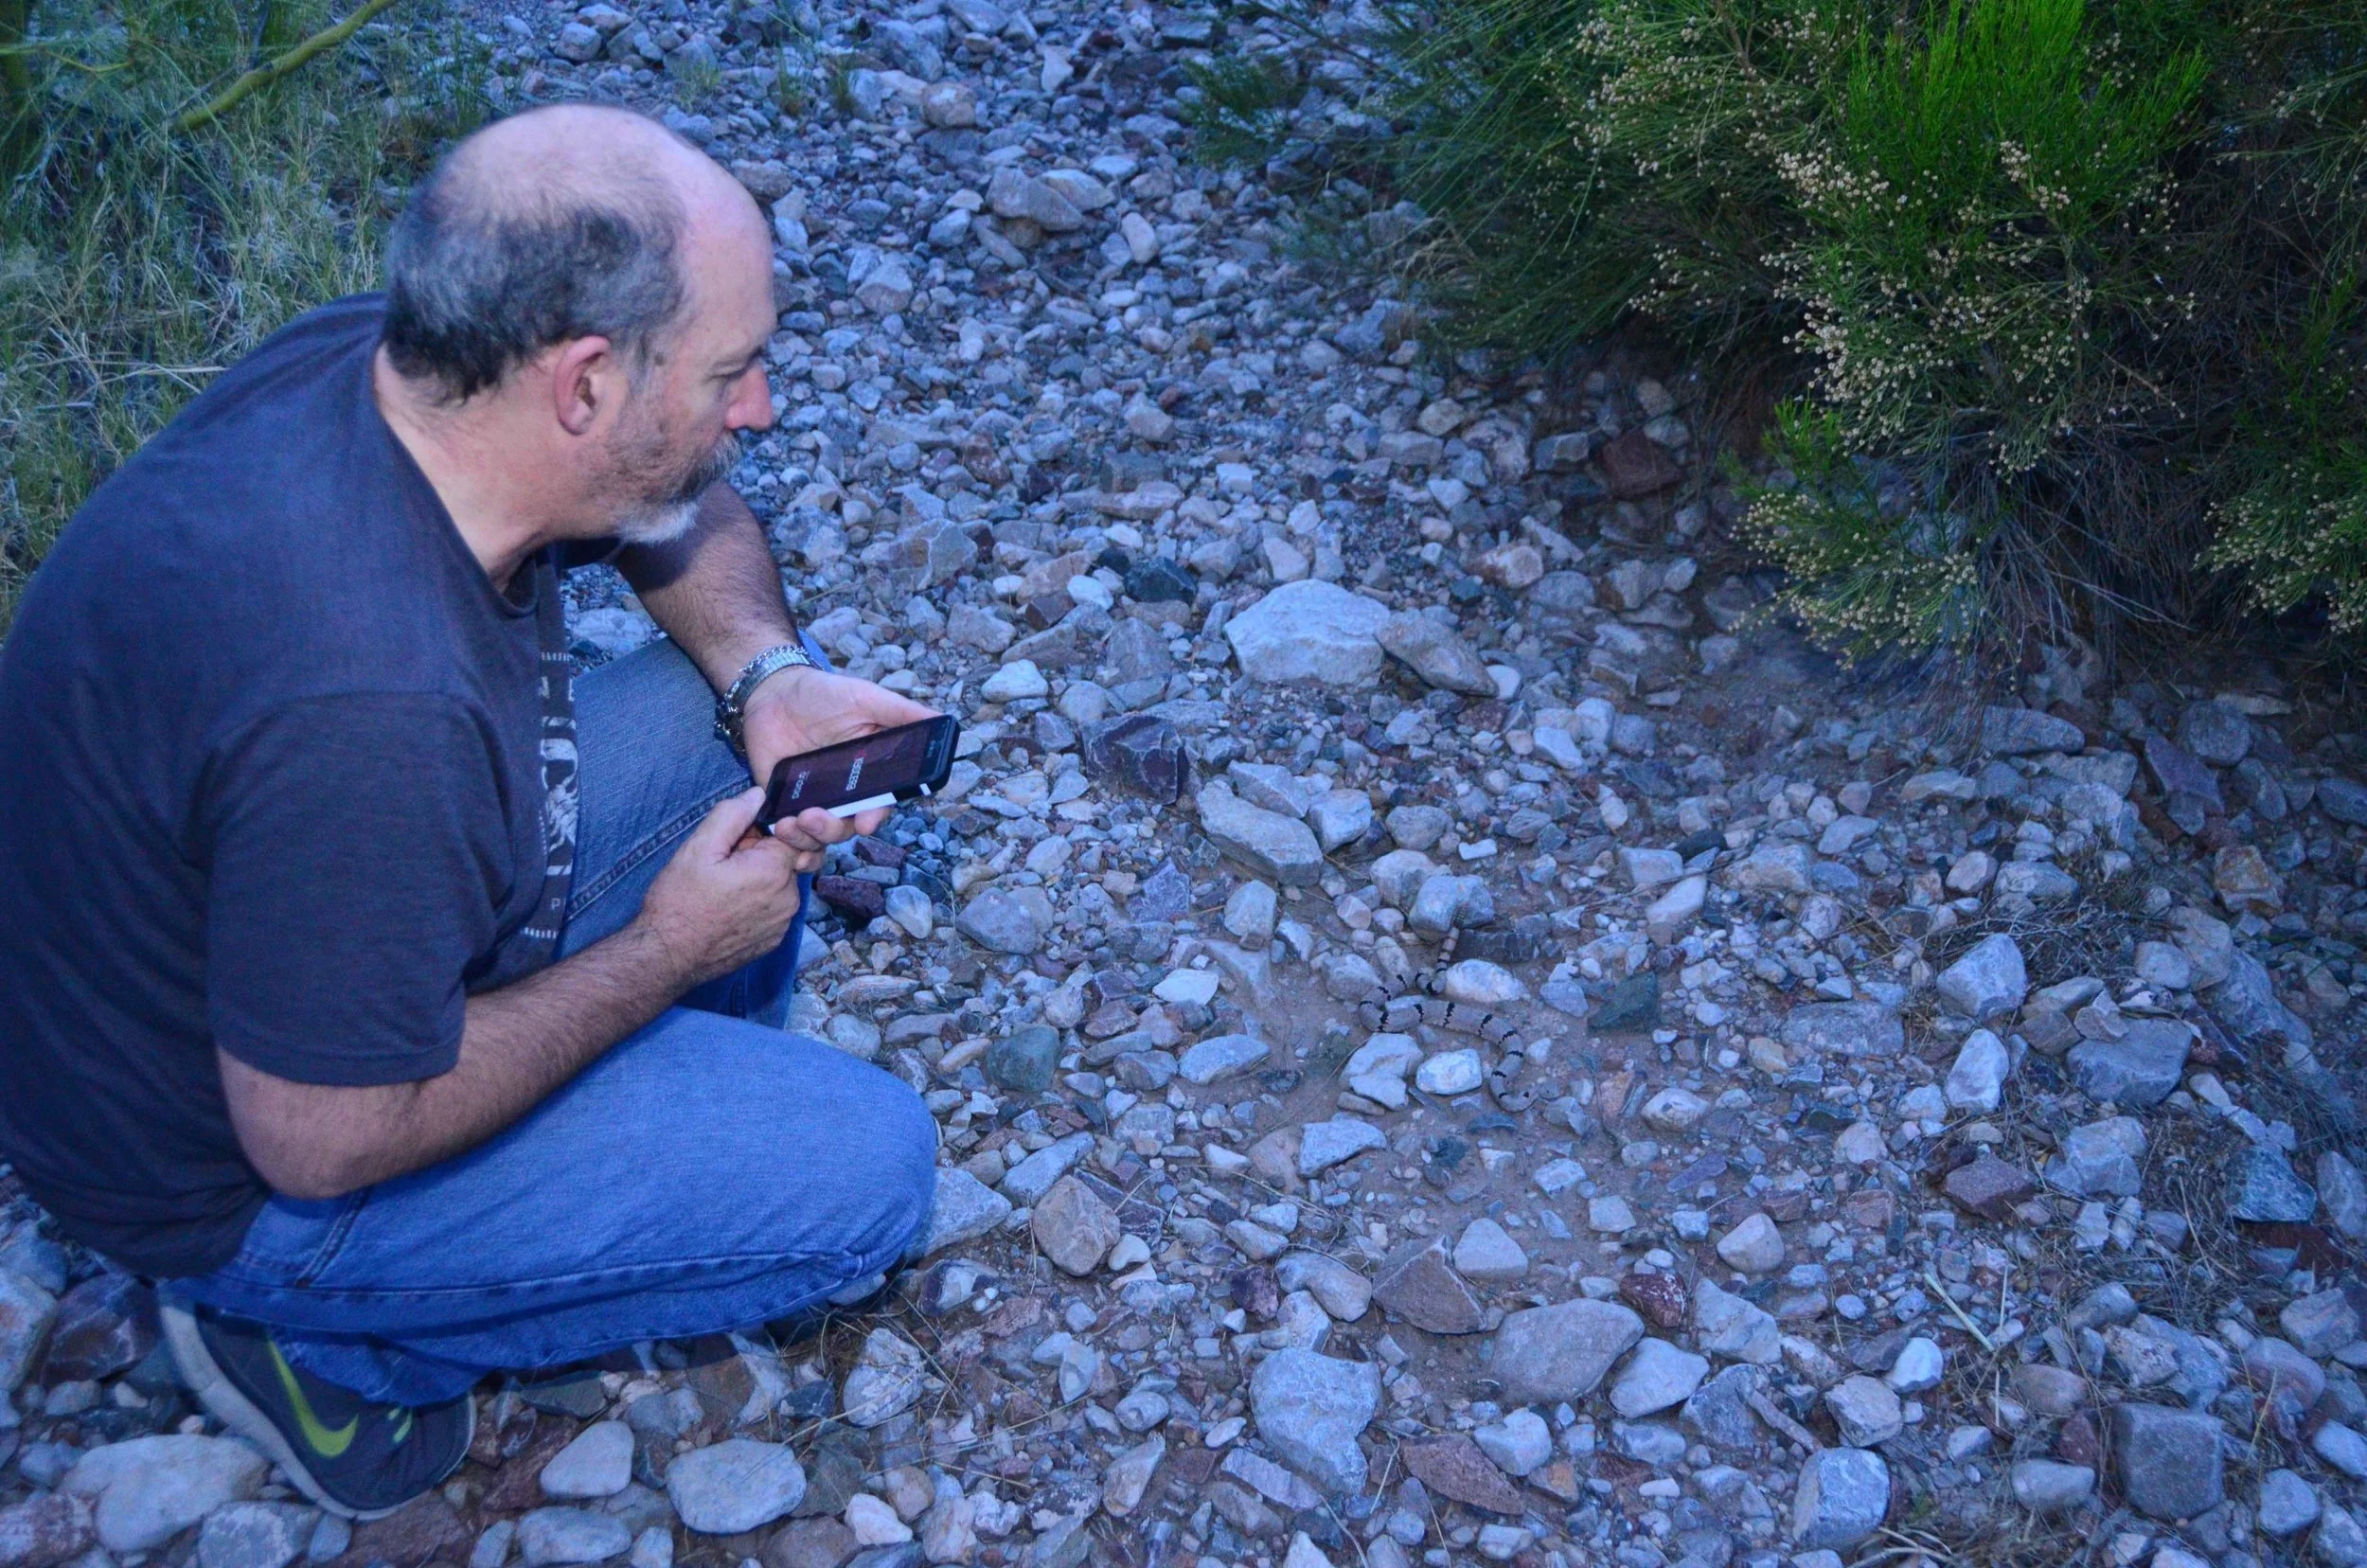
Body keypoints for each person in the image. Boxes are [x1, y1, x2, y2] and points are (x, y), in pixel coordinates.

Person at [0, 104, 942, 1518]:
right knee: (870, 1174)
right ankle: (318, 1340)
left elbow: (682, 508)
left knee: (712, 726)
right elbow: (323, 1135)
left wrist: (773, 676)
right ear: (582, 385)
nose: (760, 410)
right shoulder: (365, 706)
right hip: (235, 1171)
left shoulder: (396, 370)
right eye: (735, 371)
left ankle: (626, 1132)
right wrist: (665, 956)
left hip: (260, 942)